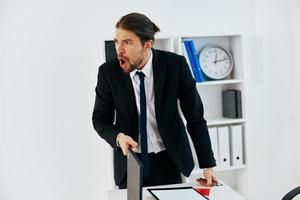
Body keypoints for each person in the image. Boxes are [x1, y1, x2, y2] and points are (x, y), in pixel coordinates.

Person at [92, 12, 217, 189]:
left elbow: (195, 117)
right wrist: (118, 137)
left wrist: (207, 164)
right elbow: (99, 119)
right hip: (130, 163)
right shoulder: (108, 73)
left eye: (128, 42)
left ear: (147, 45)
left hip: (169, 159)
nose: (119, 49)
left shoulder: (176, 66)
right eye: (117, 41)